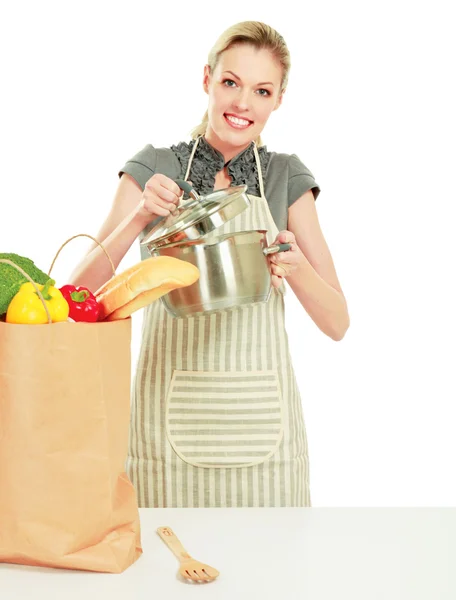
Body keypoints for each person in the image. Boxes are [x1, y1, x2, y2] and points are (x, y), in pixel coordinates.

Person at [69, 20, 350, 508]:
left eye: (262, 90)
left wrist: (296, 266)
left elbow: (338, 322)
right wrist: (140, 216)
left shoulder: (286, 176)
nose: (243, 103)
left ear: (278, 99)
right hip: (166, 427)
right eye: (231, 82)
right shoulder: (154, 166)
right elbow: (76, 297)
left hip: (263, 427)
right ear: (207, 79)